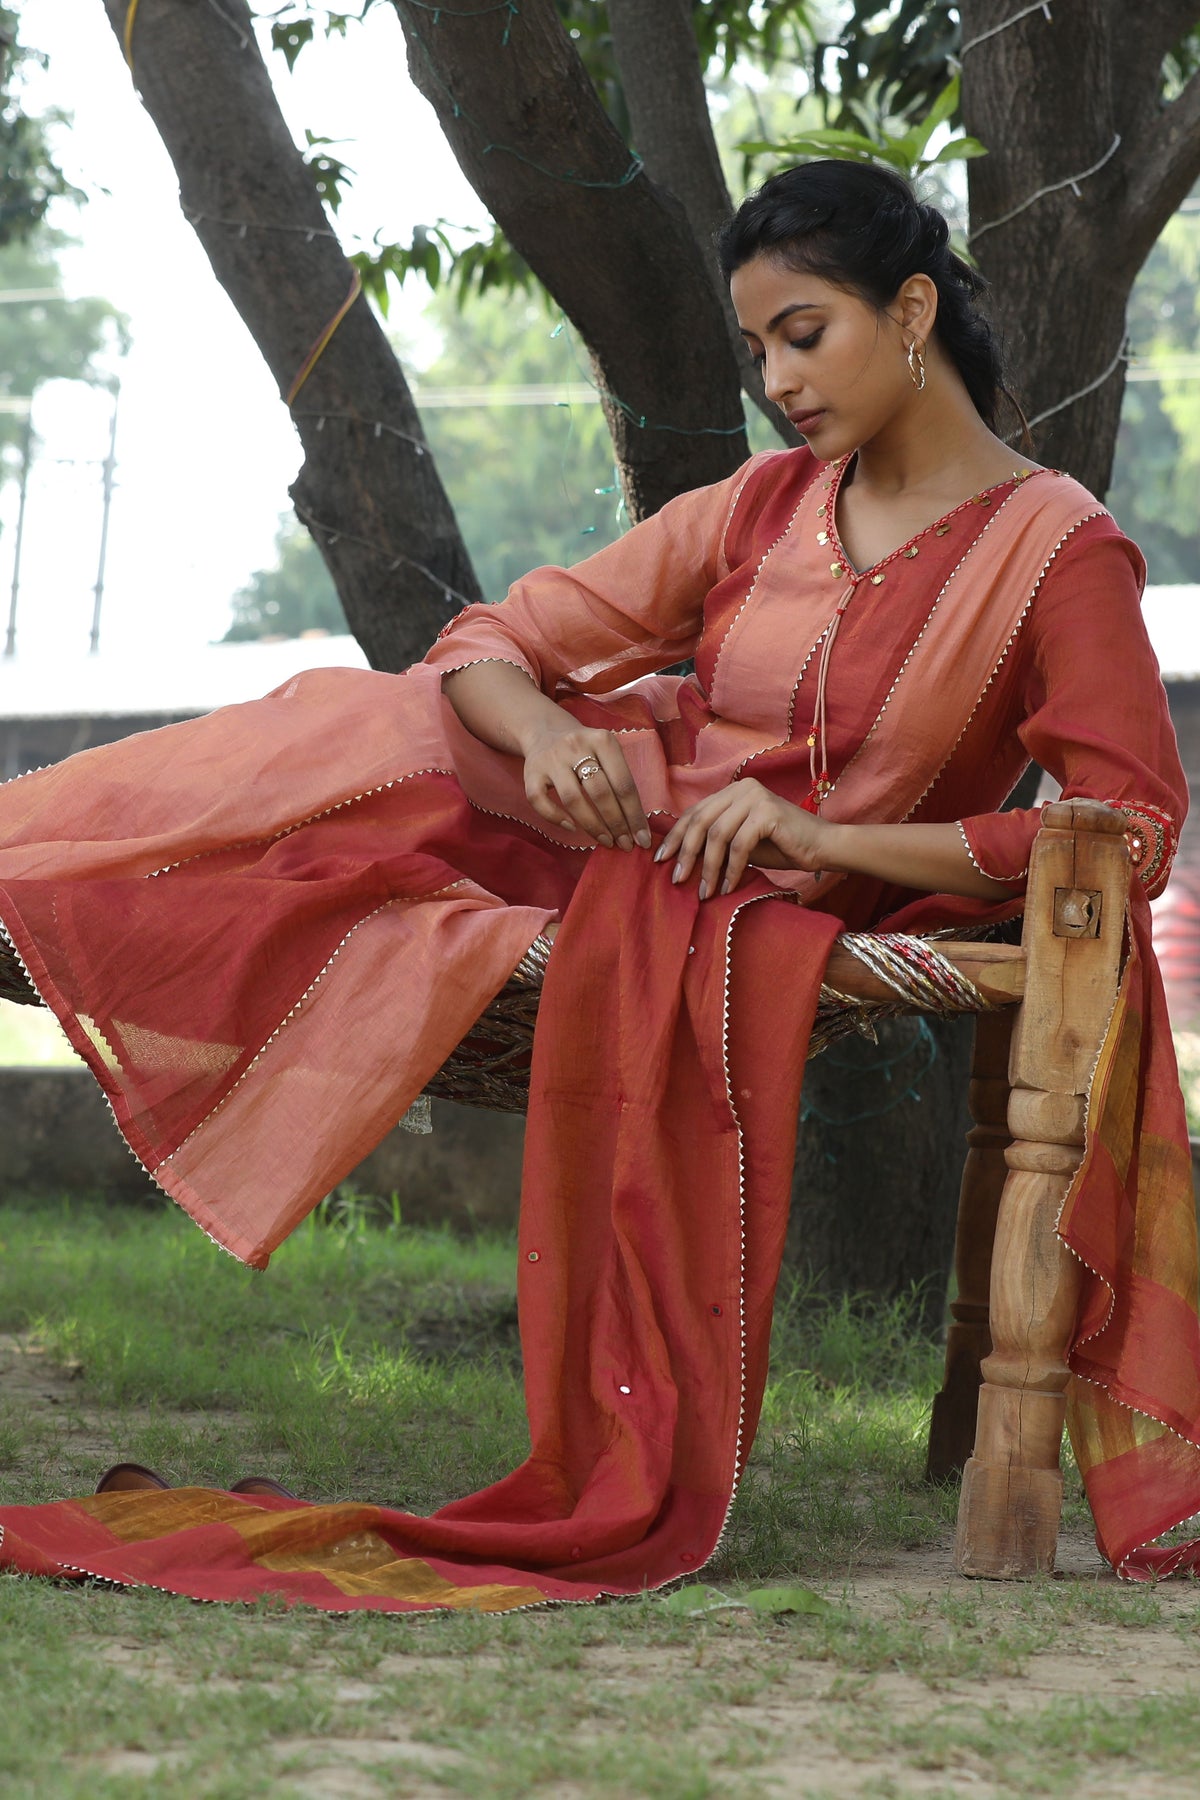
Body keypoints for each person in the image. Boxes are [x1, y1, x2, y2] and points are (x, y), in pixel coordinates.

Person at [0, 162, 1195, 1610]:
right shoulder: (757, 508)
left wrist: (828, 844)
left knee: (351, 822)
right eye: (758, 350)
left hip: (751, 903)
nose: (777, 382)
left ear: (914, 310)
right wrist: (559, 731)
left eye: (802, 335)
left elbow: (1123, 829)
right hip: (605, 824)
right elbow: (492, 641)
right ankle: (36, 877)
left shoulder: (1056, 551)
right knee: (364, 738)